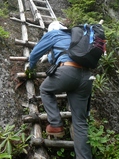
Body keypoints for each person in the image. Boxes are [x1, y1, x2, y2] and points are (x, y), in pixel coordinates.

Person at [28, 21, 93, 159]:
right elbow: (58, 55)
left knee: (45, 89)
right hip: (86, 77)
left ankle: (56, 124)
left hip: (68, 72)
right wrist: (50, 57)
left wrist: (30, 67)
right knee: (80, 123)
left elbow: (34, 53)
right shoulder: (76, 37)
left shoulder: (53, 34)